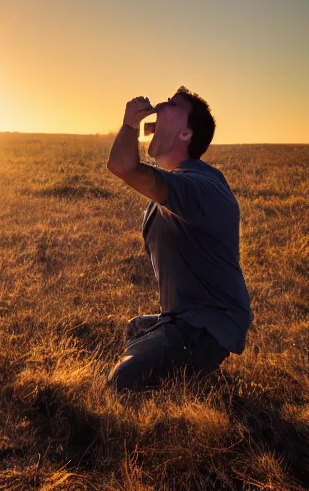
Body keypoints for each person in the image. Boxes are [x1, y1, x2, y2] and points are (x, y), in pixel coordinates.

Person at [106, 86, 253, 392]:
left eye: (172, 104)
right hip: (184, 318)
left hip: (207, 327)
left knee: (122, 380)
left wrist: (131, 124)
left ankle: (190, 382)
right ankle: (185, 370)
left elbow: (122, 166)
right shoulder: (175, 188)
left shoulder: (198, 185)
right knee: (136, 328)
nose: (160, 104)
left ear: (186, 134)